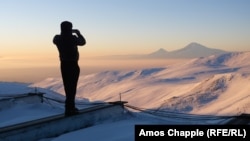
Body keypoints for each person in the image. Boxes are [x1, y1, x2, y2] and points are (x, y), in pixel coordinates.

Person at [53, 21, 86, 116]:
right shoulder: (73, 38)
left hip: (63, 65)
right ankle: (70, 109)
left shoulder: (57, 38)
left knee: (67, 86)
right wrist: (78, 33)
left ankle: (69, 107)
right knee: (72, 87)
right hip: (73, 64)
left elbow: (56, 39)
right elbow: (83, 42)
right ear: (70, 29)